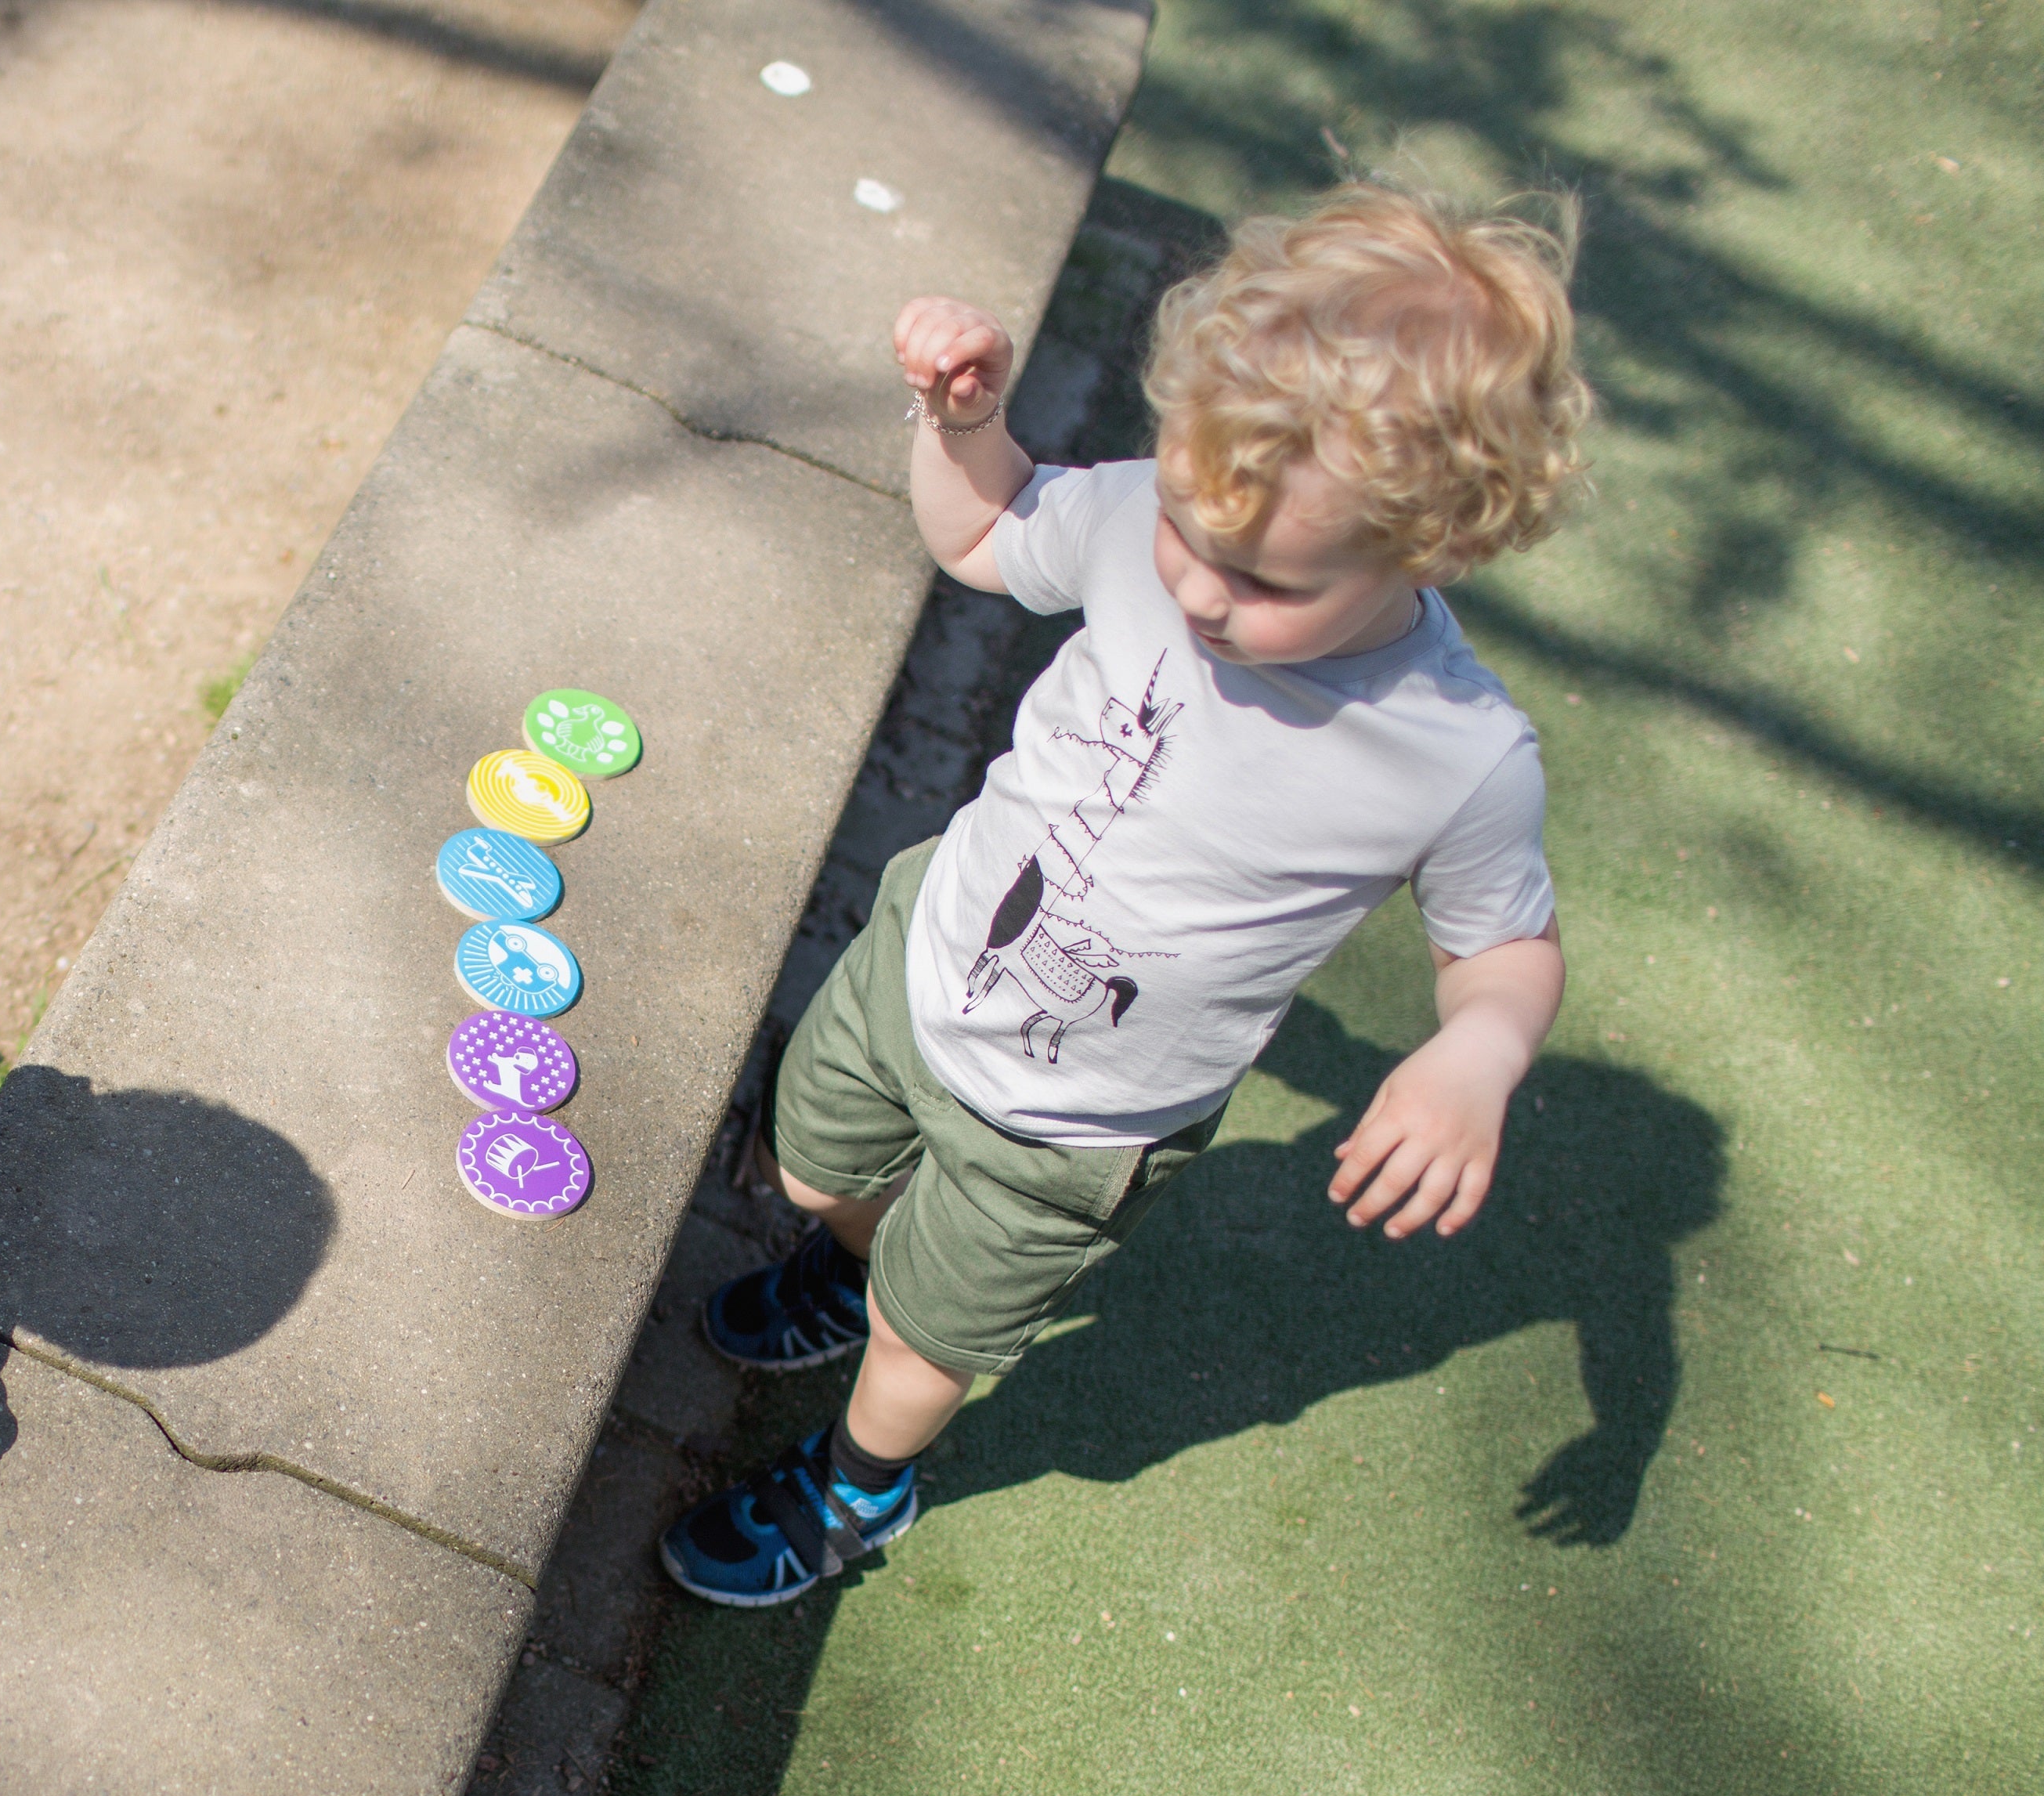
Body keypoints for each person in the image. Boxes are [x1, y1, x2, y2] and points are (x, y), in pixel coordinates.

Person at [663, 183, 1594, 1607]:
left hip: (1075, 1128)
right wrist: (964, 426)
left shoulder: (1455, 754)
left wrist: (1479, 1049)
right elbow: (983, 536)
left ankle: (859, 1487)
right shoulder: (1153, 512)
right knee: (812, 1172)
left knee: (925, 1346)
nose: (1202, 594)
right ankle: (853, 1269)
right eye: (1188, 532)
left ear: (1434, 545)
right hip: (927, 953)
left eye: (1263, 580)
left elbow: (1506, 946)